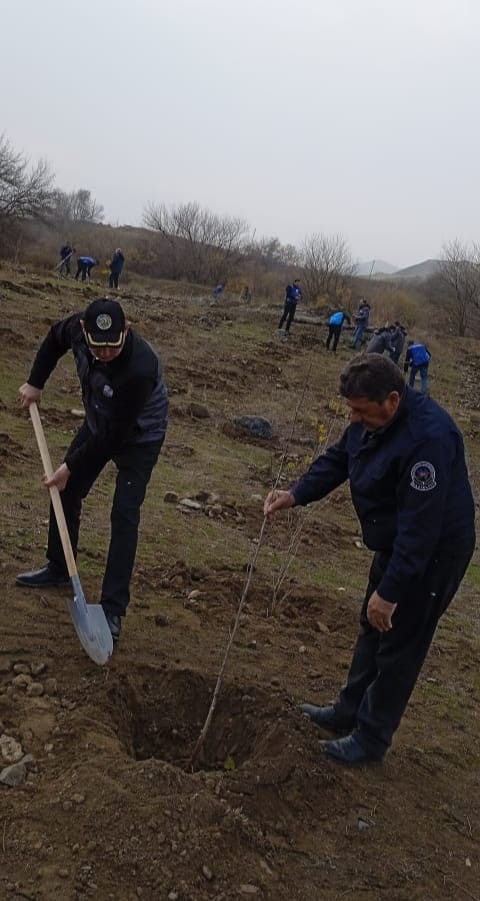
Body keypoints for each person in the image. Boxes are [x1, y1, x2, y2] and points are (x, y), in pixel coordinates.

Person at [264, 354, 475, 765]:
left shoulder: (427, 440)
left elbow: (421, 530)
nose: (354, 418)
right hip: (396, 542)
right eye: (351, 410)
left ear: (392, 400)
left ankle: (371, 739)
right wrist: (295, 494)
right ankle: (348, 711)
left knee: (399, 642)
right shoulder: (368, 424)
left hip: (432, 553)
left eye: (361, 411)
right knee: (371, 625)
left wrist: (391, 591)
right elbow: (340, 458)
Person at [16, 298, 169, 643]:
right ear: (85, 331)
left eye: (112, 346)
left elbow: (113, 437)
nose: (104, 354)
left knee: (124, 512)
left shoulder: (140, 369)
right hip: (101, 419)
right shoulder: (76, 328)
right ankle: (59, 566)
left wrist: (70, 465)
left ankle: (112, 609)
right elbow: (55, 338)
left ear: (125, 330)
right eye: (97, 346)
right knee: (66, 491)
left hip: (140, 435)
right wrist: (35, 382)